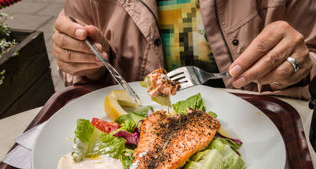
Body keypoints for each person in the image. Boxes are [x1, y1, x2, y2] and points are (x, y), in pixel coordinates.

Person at [52, 0, 316, 100]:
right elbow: (77, 77)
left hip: (260, 135)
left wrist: (298, 66)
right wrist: (87, 61)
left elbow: (310, 57)